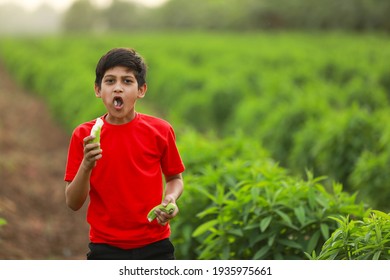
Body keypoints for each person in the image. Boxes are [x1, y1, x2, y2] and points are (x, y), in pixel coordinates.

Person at [64, 48, 185, 260]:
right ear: (98, 89)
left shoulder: (161, 130)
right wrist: (86, 164)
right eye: (110, 81)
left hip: (156, 244)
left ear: (142, 90)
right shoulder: (84, 136)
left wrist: (171, 198)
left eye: (127, 81)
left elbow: (175, 178)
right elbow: (73, 202)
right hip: (105, 248)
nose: (118, 88)